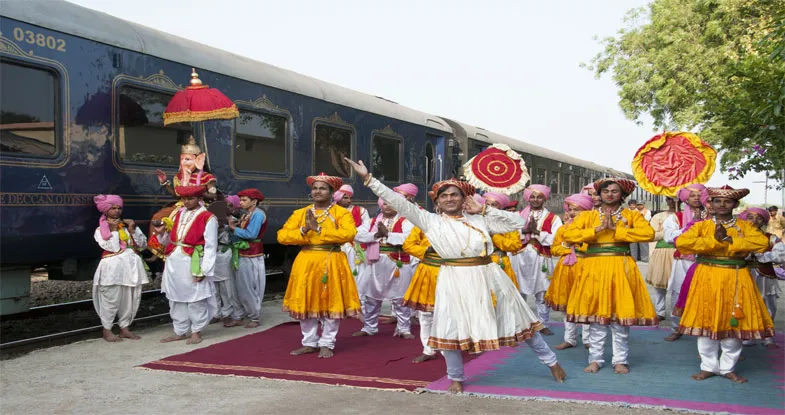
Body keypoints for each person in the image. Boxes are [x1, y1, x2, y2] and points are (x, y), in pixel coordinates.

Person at [344, 157, 566, 393]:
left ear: (464, 199)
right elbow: (398, 202)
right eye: (444, 196)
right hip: (453, 278)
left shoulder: (481, 218)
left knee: (518, 321)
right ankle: (456, 377)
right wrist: (368, 179)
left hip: (489, 276)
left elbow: (516, 223)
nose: (449, 199)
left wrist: (484, 209)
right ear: (437, 202)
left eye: (455, 195)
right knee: (449, 326)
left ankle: (551, 362)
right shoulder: (430, 222)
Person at [676, 186, 774, 383]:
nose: (722, 205)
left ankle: (728, 367)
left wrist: (730, 239)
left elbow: (761, 244)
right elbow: (682, 243)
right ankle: (708, 366)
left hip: (737, 276)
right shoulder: (700, 226)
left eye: (727, 201)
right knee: (705, 320)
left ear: (735, 205)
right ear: (710, 203)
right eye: (717, 201)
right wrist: (717, 241)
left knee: (734, 322)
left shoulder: (746, 227)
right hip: (707, 276)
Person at [563, 178, 657, 374]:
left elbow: (648, 234)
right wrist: (596, 230)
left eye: (615, 191)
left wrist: (617, 230)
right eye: (605, 191)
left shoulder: (631, 215)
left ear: (622, 195)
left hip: (620, 265)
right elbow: (569, 235)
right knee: (598, 317)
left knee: (619, 317)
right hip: (594, 266)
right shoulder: (587, 216)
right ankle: (595, 359)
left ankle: (620, 360)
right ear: (599, 194)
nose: (610, 194)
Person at [277, 173, 361, 358]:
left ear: (332, 192)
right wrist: (304, 229)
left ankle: (327, 343)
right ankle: (309, 342)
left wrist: (320, 229)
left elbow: (349, 234)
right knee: (305, 301)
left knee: (331, 302)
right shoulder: (301, 213)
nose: (317, 191)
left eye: (322, 188)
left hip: (331, 260)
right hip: (306, 261)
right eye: (315, 188)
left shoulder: (341, 213)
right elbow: (282, 236)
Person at [154, 186, 218, 345]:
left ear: (199, 199)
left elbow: (211, 246)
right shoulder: (178, 214)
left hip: (192, 261)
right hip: (173, 261)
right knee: (175, 297)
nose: (186, 202)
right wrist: (162, 233)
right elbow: (169, 240)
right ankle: (180, 331)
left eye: (190, 198)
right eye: (184, 199)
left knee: (195, 297)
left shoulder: (208, 217)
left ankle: (196, 330)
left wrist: (205, 269)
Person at [353, 197, 416, 339]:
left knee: (400, 297)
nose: (387, 206)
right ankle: (369, 327)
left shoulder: (406, 221)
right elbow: (357, 234)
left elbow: (410, 238)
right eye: (385, 202)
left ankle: (404, 328)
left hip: (398, 262)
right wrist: (376, 235)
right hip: (375, 262)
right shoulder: (372, 222)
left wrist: (388, 234)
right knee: (371, 297)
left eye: (391, 202)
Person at [92, 195, 149, 342]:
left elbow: (143, 245)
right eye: (113, 208)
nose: (117, 211)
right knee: (111, 300)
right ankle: (107, 330)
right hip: (112, 271)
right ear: (106, 211)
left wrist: (133, 229)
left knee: (129, 299)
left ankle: (125, 328)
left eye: (119, 208)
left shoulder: (126, 226)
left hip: (130, 269)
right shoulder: (100, 230)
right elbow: (113, 247)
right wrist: (114, 230)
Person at [544, 193, 593, 350]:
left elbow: (592, 248)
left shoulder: (592, 229)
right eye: (570, 209)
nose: (572, 213)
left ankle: (588, 339)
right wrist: (567, 246)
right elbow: (555, 249)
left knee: (585, 303)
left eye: (577, 210)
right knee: (566, 304)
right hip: (565, 268)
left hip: (585, 266)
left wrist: (578, 244)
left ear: (586, 211)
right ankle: (569, 338)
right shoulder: (563, 229)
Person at [662, 183, 709, 342]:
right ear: (685, 199)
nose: (696, 198)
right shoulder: (676, 217)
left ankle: (707, 328)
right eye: (692, 195)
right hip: (684, 261)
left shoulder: (713, 216)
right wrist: (691, 225)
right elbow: (669, 238)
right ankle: (677, 328)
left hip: (708, 261)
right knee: (678, 292)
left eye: (699, 195)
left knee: (707, 294)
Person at [515, 184, 561, 336]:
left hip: (541, 258)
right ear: (528, 197)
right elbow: (510, 235)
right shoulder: (518, 216)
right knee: (519, 291)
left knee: (542, 291)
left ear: (544, 198)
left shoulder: (553, 218)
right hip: (520, 257)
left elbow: (556, 239)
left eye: (539, 196)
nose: (535, 199)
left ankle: (543, 323)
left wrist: (537, 233)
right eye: (532, 196)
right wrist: (524, 231)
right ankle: (521, 324)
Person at [739, 207, 783, 348]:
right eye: (750, 217)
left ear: (763, 221)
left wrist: (761, 256)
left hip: (765, 277)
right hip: (743, 274)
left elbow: (781, 255)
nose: (754, 221)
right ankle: (748, 334)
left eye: (759, 218)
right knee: (743, 305)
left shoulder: (771, 238)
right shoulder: (738, 236)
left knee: (768, 306)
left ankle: (768, 337)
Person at [402, 223, 442, 363]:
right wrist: (427, 249)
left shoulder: (464, 223)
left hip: (452, 271)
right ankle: (428, 350)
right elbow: (408, 245)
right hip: (427, 271)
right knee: (425, 314)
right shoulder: (425, 223)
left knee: (449, 312)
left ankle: (449, 347)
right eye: (441, 199)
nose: (448, 199)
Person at [229, 188, 267, 328]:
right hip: (242, 253)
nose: (241, 203)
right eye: (241, 200)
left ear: (254, 201)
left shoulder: (257, 215)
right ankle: (239, 315)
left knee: (249, 286)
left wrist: (233, 228)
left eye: (244, 200)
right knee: (239, 286)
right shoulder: (247, 214)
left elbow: (251, 234)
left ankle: (254, 317)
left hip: (252, 254)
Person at [213, 196, 245, 327]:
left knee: (228, 287)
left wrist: (227, 227)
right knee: (215, 287)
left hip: (226, 254)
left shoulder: (236, 221)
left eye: (230, 205)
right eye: (226, 205)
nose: (227, 207)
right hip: (215, 255)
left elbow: (236, 238)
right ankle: (216, 312)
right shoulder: (213, 221)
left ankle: (230, 313)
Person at [645, 197, 679, 320]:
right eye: (670, 199)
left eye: (677, 199)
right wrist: (668, 233)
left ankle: (676, 314)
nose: (673, 202)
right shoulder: (659, 216)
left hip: (679, 252)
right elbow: (651, 234)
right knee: (659, 284)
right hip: (661, 252)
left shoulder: (687, 216)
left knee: (677, 285)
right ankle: (660, 311)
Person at [156, 135, 218, 200]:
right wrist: (165, 183)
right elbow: (177, 196)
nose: (183, 163)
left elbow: (213, 196)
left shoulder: (207, 177)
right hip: (182, 206)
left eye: (187, 159)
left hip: (199, 206)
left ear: (199, 160)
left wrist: (198, 191)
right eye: (181, 159)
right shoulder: (179, 176)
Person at [484, 192, 522, 290]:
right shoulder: (476, 221)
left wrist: (494, 235)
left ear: (500, 208)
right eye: (487, 204)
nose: (490, 207)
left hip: (501, 263)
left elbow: (515, 245)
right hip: (480, 265)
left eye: (494, 205)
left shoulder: (508, 223)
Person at [333, 184, 370, 276]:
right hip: (337, 246)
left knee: (357, 273)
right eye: (345, 198)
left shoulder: (361, 210)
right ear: (338, 197)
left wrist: (350, 234)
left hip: (355, 248)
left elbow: (366, 227)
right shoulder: (330, 211)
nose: (349, 200)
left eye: (350, 198)